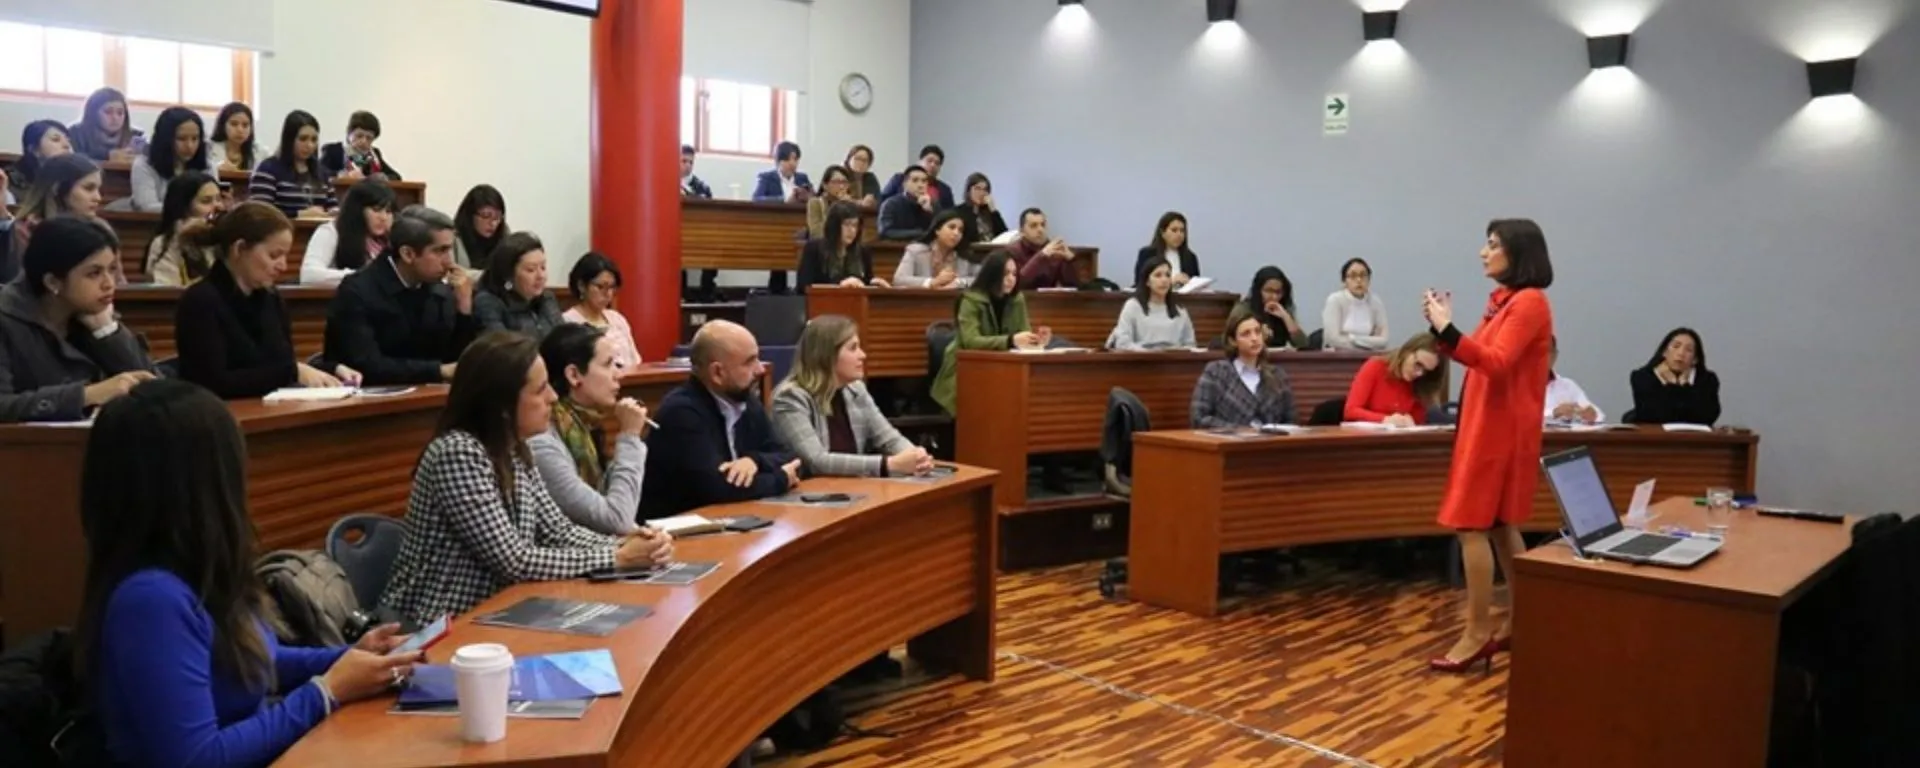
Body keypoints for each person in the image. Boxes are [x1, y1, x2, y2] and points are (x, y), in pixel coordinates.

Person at [76, 379, 423, 768]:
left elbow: (261, 660)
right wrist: (326, 692)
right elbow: (196, 758)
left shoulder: (202, 568)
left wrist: (350, 658)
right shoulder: (151, 600)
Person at [380, 332, 673, 624]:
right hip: (431, 623)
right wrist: (617, 558)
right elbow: (514, 560)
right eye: (540, 389)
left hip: (492, 613)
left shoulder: (514, 448)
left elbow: (557, 531)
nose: (553, 397)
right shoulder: (458, 452)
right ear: (502, 403)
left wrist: (626, 545)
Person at [1421, 218, 1556, 673]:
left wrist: (1450, 330)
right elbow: (1471, 352)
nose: (1484, 252)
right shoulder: (1503, 302)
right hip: (1488, 423)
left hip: (1499, 429)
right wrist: (1444, 330)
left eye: (1493, 245)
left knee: (1471, 526)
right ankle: (1525, 619)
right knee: (1499, 525)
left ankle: (1478, 632)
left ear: (1518, 253)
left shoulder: (1530, 303)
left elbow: (1495, 364)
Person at [175, 202, 360, 399]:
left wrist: (331, 368)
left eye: (286, 255)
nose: (283, 266)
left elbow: (281, 364)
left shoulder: (271, 299)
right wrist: (292, 372)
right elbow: (213, 383)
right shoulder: (200, 302)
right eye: (274, 255)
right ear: (239, 249)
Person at [639, 320, 801, 518]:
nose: (760, 370)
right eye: (749, 362)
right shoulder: (681, 412)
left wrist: (754, 461)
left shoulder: (747, 402)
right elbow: (718, 489)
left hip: (730, 521)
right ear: (717, 372)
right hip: (676, 534)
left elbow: (791, 457)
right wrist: (781, 479)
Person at [0, 218, 155, 422]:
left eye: (112, 269)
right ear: (53, 281)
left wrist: (107, 332)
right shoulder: (6, 317)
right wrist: (85, 396)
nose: (109, 284)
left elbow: (156, 391)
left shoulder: (92, 312)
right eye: (94, 273)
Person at [531, 323, 673, 536]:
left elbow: (611, 504)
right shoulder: (543, 442)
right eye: (608, 364)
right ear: (574, 375)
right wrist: (630, 437)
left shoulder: (583, 425)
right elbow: (615, 520)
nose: (618, 375)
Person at [322, 205, 477, 385]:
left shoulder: (439, 291)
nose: (449, 261)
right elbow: (367, 365)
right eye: (439, 251)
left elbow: (454, 362)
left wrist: (464, 309)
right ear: (408, 254)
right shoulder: (357, 291)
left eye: (450, 250)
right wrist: (437, 371)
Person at [772, 314, 931, 477]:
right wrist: (889, 464)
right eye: (853, 348)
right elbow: (816, 461)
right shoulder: (790, 398)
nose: (863, 355)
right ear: (827, 355)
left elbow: (888, 438)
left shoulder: (855, 389)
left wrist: (916, 456)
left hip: (853, 489)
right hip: (810, 494)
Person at [930, 252, 1045, 414]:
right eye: (1005, 274)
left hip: (1004, 368)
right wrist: (1011, 340)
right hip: (966, 370)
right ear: (992, 275)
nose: (1011, 279)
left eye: (1014, 274)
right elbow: (971, 342)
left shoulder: (1017, 299)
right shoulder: (970, 300)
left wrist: (1034, 340)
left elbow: (1022, 335)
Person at [1190, 307, 1295, 429]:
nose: (1254, 338)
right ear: (1233, 341)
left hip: (1269, 445)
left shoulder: (1278, 375)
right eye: (1246, 334)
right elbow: (1199, 418)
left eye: (1258, 331)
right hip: (1229, 444)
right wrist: (1239, 430)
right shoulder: (1216, 373)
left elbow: (1291, 421)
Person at [301, 178, 396, 284]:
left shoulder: (391, 239)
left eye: (388, 211)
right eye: (376, 210)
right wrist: (362, 277)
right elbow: (309, 276)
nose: (383, 217)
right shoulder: (331, 231)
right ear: (358, 209)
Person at [473, 232, 564, 340]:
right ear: (509, 274)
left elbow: (565, 341)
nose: (541, 276)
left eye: (543, 267)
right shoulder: (488, 303)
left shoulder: (547, 299)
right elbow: (501, 350)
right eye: (531, 269)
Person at [248, 111, 337, 219]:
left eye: (314, 140)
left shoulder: (322, 173)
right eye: (303, 139)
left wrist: (334, 212)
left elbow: (332, 206)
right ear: (289, 140)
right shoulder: (268, 170)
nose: (309, 145)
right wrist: (299, 214)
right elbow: (260, 214)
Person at [1344, 333, 1445, 426]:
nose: (1419, 373)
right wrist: (1385, 419)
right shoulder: (1375, 366)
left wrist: (1410, 421)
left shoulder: (1421, 384)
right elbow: (1350, 411)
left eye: (1426, 371)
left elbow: (1417, 422)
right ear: (1407, 351)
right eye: (1418, 364)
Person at [563, 252, 641, 369]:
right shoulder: (568, 322)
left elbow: (635, 362)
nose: (608, 294)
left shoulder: (617, 320)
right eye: (601, 287)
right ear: (581, 286)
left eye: (612, 287)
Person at [145, 172, 224, 287]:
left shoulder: (223, 238)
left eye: (218, 199)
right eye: (206, 201)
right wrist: (181, 237)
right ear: (184, 208)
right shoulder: (164, 243)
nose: (218, 207)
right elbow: (167, 291)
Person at [1628, 327, 1720, 425]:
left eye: (1688, 350)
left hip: (1695, 439)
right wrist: (1672, 383)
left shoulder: (1708, 380)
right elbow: (1652, 416)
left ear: (1695, 359)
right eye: (1676, 346)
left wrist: (1684, 386)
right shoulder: (1642, 377)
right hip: (1654, 437)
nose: (1681, 353)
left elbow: (1707, 416)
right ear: (1664, 352)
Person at [129, 107, 209, 213]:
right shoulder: (144, 165)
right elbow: (147, 207)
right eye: (181, 139)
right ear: (166, 139)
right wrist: (192, 210)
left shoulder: (208, 166)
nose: (190, 146)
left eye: (195, 139)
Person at [1107, 261, 1196, 351]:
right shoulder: (1133, 306)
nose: (1164, 280)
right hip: (1141, 360)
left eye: (1168, 275)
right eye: (1158, 275)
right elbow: (1123, 343)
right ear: (1147, 282)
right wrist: (1149, 353)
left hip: (1173, 361)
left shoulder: (1180, 310)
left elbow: (1190, 345)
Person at [800, 202, 885, 291]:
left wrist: (877, 286)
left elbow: (866, 284)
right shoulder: (814, 249)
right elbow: (804, 287)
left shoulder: (863, 252)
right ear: (834, 226)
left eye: (855, 225)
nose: (852, 230)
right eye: (847, 224)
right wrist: (840, 286)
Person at [893, 208, 974, 289]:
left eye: (960, 230)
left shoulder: (964, 256)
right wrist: (932, 282)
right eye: (951, 227)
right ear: (937, 230)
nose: (956, 233)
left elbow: (979, 279)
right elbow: (899, 280)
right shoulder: (916, 251)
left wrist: (958, 282)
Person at [17, 153, 106, 224]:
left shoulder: (99, 229)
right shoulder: (27, 229)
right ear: (57, 188)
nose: (98, 198)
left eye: (98, 189)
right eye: (88, 188)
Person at [1322, 258, 1390, 350]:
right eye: (1353, 276)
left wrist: (1353, 338)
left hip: (1368, 356)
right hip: (1338, 357)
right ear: (1344, 281)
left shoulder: (1375, 302)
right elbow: (1332, 339)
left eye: (1363, 275)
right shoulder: (1335, 300)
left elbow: (1384, 340)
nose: (1359, 280)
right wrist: (1368, 343)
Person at [1237, 266, 1309, 350]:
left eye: (1278, 292)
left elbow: (1303, 345)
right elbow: (1233, 342)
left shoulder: (1281, 309)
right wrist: (1258, 335)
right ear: (1258, 290)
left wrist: (1286, 317)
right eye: (1268, 291)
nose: (1274, 297)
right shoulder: (1243, 309)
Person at [1007, 208, 1079, 289]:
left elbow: (1074, 287)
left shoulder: (1055, 251)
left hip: (1048, 300)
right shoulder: (1012, 251)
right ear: (1021, 231)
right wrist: (1041, 256)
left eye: (1043, 225)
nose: (1040, 230)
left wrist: (1070, 260)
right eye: (1033, 226)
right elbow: (1018, 284)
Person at [68, 88, 145, 163]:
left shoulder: (135, 136)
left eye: (120, 113)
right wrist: (108, 155)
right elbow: (71, 158)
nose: (115, 118)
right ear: (93, 113)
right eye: (108, 112)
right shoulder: (77, 133)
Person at [320, 110, 399, 181]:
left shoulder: (373, 155)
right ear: (349, 134)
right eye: (359, 136)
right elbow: (318, 172)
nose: (364, 141)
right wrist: (341, 175)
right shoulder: (334, 150)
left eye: (369, 138)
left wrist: (383, 177)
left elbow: (396, 177)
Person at [1544, 336, 1603, 424]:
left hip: (1563, 437)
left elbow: (1599, 415)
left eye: (1547, 351)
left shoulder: (1568, 386)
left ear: (1555, 355)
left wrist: (1591, 414)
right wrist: (1554, 412)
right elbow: (1522, 418)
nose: (1542, 357)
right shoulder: (1518, 385)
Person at [8, 120, 73, 200]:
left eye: (68, 141)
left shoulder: (72, 181)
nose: (66, 145)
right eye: (56, 140)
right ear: (34, 149)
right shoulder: (8, 183)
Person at [1134, 212, 1202, 289]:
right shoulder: (1147, 254)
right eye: (1174, 230)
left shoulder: (1190, 257)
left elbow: (1197, 286)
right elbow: (1140, 283)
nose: (1179, 235)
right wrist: (1170, 282)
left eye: (1182, 231)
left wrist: (1189, 283)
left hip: (1183, 300)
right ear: (1162, 233)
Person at [453, 184, 509, 271]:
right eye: (486, 216)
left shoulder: (504, 236)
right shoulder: (453, 239)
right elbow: (454, 274)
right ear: (470, 215)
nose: (493, 223)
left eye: (498, 217)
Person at [881, 145, 955, 210]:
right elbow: (882, 201)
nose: (933, 165)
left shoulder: (945, 190)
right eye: (929, 161)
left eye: (937, 163)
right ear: (919, 162)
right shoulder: (900, 179)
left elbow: (949, 215)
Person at [877, 165, 936, 240]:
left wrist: (929, 212)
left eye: (924, 181)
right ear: (905, 184)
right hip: (897, 248)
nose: (920, 185)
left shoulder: (933, 204)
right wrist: (918, 233)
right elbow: (885, 231)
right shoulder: (890, 204)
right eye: (915, 180)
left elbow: (940, 231)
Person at [806, 165, 857, 239]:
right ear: (825, 185)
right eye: (836, 182)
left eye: (844, 182)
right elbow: (816, 232)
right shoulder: (815, 203)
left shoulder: (851, 205)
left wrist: (847, 207)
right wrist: (838, 207)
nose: (841, 187)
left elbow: (857, 232)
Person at [957, 172, 1007, 244]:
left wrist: (993, 211)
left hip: (993, 251)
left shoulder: (990, 212)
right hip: (972, 252)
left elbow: (1004, 235)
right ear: (969, 191)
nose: (981, 193)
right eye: (977, 188)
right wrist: (975, 210)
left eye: (985, 190)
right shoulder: (959, 211)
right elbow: (969, 236)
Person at [208, 102, 258, 172]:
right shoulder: (209, 149)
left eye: (245, 125)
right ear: (223, 126)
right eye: (234, 124)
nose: (240, 130)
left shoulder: (260, 152)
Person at [843, 144, 882, 209]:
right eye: (857, 159)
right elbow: (840, 200)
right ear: (849, 159)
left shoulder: (870, 178)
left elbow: (878, 201)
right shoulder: (840, 174)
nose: (861, 163)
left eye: (865, 160)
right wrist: (860, 203)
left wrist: (872, 202)